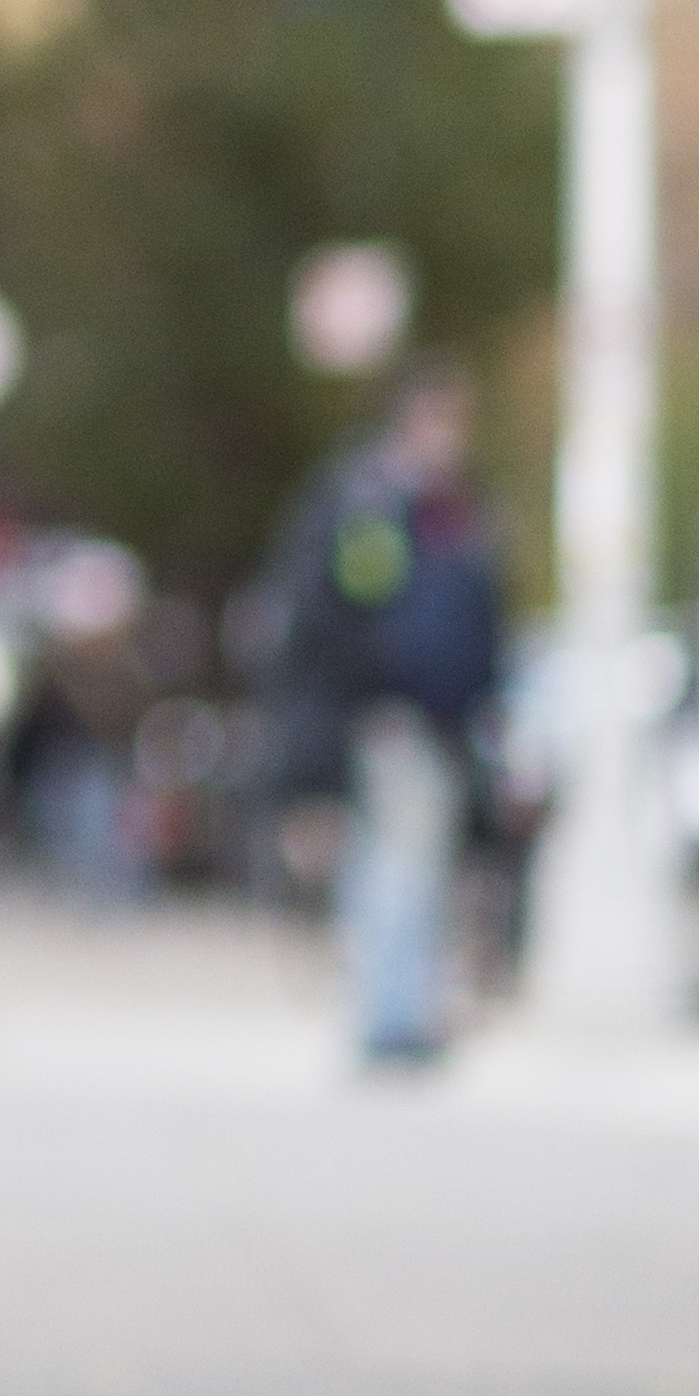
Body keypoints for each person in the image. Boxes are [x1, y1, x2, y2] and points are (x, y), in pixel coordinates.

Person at [254, 361, 506, 1065]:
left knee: (411, 864)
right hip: (393, 713)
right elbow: (359, 610)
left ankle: (401, 1008)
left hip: (431, 716)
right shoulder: (378, 505)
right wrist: (375, 694)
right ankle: (392, 1017)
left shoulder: (443, 504)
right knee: (400, 865)